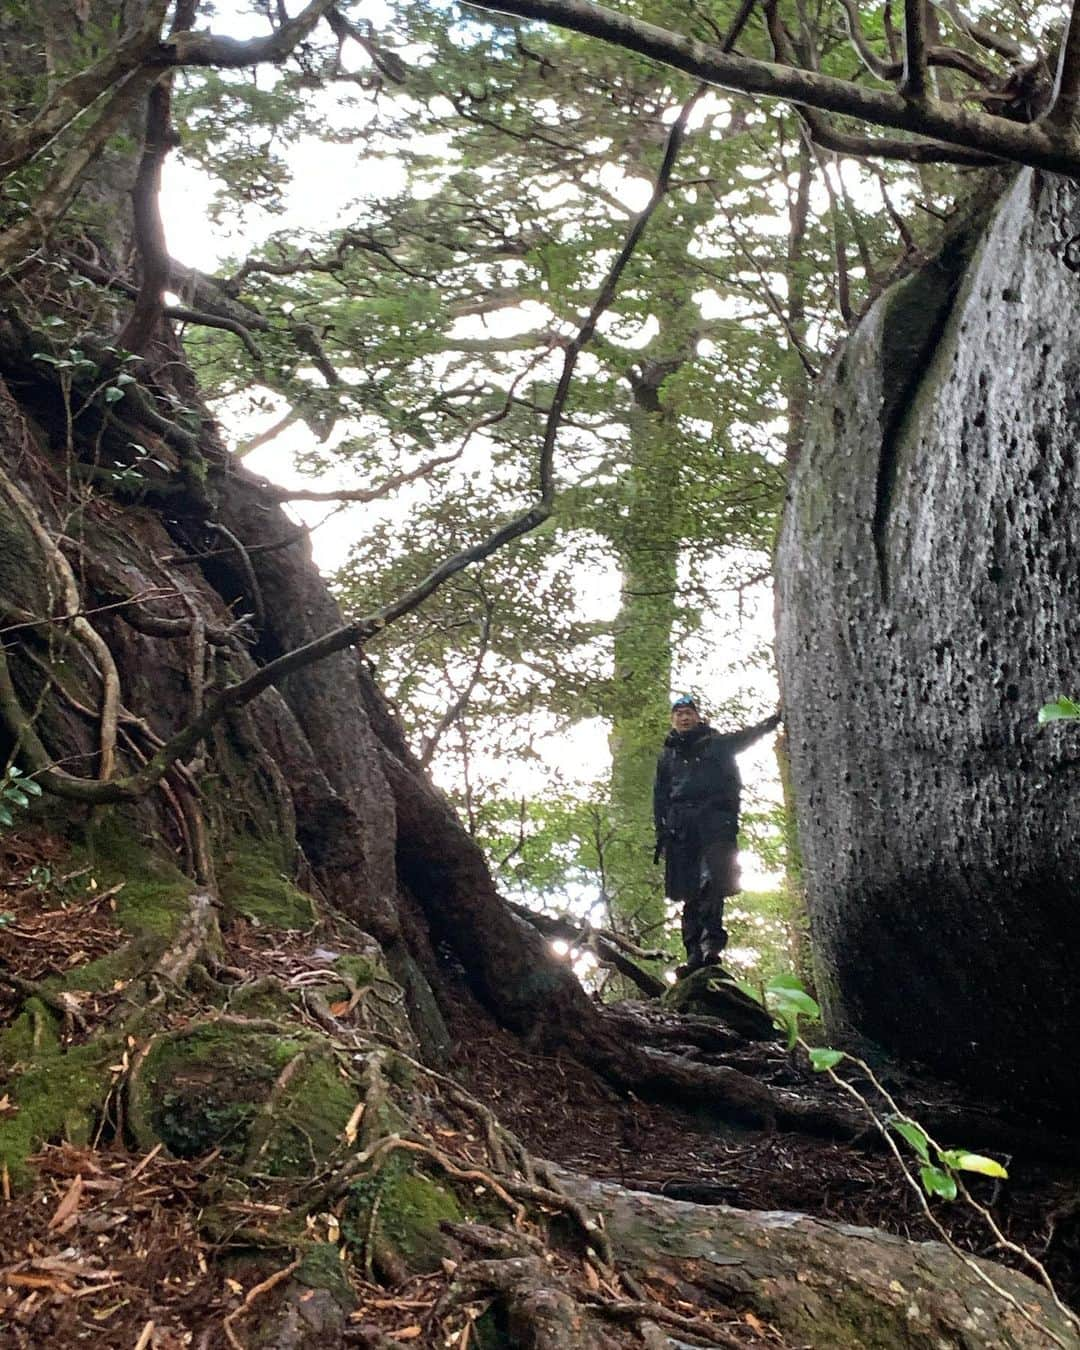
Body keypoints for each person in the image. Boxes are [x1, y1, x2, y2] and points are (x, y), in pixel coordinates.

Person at [653, 695, 781, 975]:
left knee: (712, 883)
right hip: (681, 829)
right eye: (678, 714)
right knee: (689, 892)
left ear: (698, 716)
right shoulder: (668, 755)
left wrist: (774, 720)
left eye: (688, 713)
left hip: (714, 823)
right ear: (672, 720)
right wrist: (661, 832)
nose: (684, 718)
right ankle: (693, 954)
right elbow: (660, 796)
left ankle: (712, 945)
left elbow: (748, 737)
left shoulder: (717, 744)